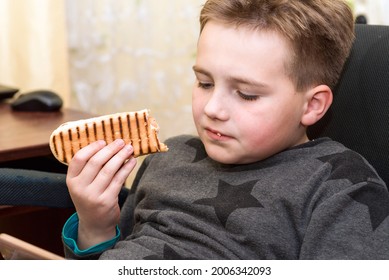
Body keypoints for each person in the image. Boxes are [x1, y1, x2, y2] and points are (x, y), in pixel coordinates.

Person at [62, 0, 389, 259]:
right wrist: (95, 224)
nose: (212, 109)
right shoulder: (169, 156)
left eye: (247, 94)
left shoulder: (339, 188)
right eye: (204, 83)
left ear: (313, 105)